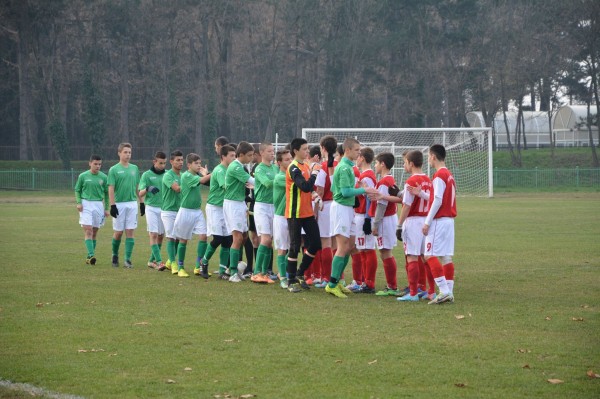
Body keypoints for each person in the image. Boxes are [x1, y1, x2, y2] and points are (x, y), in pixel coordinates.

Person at [325, 138, 377, 298]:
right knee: (342, 247)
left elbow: (335, 187)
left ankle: (339, 282)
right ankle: (332, 284)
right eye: (356, 150)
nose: (359, 153)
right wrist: (363, 190)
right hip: (341, 208)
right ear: (347, 150)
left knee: (350, 246)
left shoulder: (349, 167)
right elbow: (345, 192)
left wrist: (357, 188)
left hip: (348, 208)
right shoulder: (345, 168)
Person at [421, 144, 457, 304]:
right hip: (449, 221)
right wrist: (421, 194)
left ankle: (443, 291)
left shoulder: (439, 176)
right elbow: (439, 197)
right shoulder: (449, 175)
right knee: (446, 256)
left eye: (429, 156)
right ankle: (449, 291)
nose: (428, 159)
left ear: (433, 156)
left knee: (429, 254)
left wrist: (427, 222)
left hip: (439, 221)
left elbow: (437, 200)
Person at [285, 138, 322, 293]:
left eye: (308, 149)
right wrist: (314, 173)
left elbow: (309, 188)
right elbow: (304, 186)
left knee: (315, 244)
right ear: (296, 151)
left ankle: (300, 272)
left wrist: (316, 196)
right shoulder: (293, 168)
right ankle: (290, 280)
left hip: (306, 212)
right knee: (294, 247)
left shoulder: (305, 165)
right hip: (295, 213)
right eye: (305, 149)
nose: (308, 151)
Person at [395, 150, 433, 301]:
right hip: (426, 221)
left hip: (413, 221)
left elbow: (407, 206)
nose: (404, 165)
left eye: (405, 162)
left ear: (411, 163)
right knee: (426, 258)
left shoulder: (411, 181)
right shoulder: (428, 180)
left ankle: (412, 294)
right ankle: (430, 291)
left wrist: (399, 225)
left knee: (411, 257)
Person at [199, 145, 236, 279]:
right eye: (231, 156)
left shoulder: (231, 170)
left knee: (227, 240)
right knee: (218, 238)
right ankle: (203, 262)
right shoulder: (220, 170)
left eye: (235, 155)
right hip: (215, 207)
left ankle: (221, 271)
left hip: (225, 207)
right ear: (223, 157)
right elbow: (226, 186)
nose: (234, 158)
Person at [172, 153, 210, 278]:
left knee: (203, 236)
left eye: (200, 163)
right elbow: (204, 180)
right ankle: (181, 267)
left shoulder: (195, 175)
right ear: (189, 165)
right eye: (196, 163)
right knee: (183, 240)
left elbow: (205, 180)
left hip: (197, 211)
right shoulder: (187, 176)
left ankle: (198, 266)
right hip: (186, 211)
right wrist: (212, 173)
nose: (199, 165)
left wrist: (205, 174)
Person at [223, 141, 256, 282]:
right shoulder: (235, 167)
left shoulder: (240, 166)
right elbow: (251, 181)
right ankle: (233, 272)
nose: (251, 158)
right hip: (233, 205)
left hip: (239, 204)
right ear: (241, 154)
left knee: (244, 237)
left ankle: (233, 269)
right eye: (249, 155)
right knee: (237, 238)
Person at [370, 152, 400, 296]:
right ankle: (391, 286)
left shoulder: (384, 182)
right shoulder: (389, 179)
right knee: (385, 251)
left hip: (385, 220)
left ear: (383, 164)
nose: (375, 165)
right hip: (390, 218)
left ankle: (392, 287)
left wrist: (375, 225)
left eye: (376, 163)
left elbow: (381, 206)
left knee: (385, 252)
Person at [349, 147, 378, 293]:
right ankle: (365, 282)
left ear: (363, 158)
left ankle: (369, 283)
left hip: (364, 216)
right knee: (363, 249)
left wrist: (367, 219)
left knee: (367, 249)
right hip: (360, 216)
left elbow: (370, 198)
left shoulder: (367, 176)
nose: (357, 158)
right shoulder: (365, 175)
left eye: (358, 156)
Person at [108, 143, 140, 268]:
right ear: (119, 153)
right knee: (118, 232)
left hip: (132, 204)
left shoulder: (134, 168)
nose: (128, 155)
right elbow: (111, 188)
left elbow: (137, 186)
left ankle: (128, 259)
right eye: (125, 152)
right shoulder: (114, 169)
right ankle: (115, 254)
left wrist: (141, 201)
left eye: (129, 152)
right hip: (119, 204)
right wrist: (112, 205)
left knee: (130, 231)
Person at [312, 135, 338, 288]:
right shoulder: (339, 164)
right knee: (335, 243)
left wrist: (315, 210)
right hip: (338, 205)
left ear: (323, 148)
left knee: (326, 242)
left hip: (326, 206)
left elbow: (320, 191)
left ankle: (326, 277)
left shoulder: (323, 167)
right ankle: (336, 276)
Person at [250, 142, 278, 284]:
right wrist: (281, 179)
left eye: (273, 151)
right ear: (262, 153)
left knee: (269, 241)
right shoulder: (259, 169)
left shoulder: (275, 168)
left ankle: (264, 272)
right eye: (269, 151)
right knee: (265, 239)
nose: (272, 153)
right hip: (261, 207)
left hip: (274, 206)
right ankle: (256, 273)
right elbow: (267, 183)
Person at [75, 154, 110, 265]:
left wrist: (107, 208)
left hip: (99, 205)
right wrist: (79, 202)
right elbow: (77, 190)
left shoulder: (104, 177)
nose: (97, 166)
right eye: (95, 164)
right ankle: (91, 255)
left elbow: (107, 193)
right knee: (88, 230)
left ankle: (89, 257)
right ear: (90, 163)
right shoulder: (83, 176)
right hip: (86, 204)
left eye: (99, 164)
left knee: (94, 232)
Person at [138, 151, 167, 271]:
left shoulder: (167, 174)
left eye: (165, 163)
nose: (163, 165)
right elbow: (140, 193)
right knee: (153, 234)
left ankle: (151, 261)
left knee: (161, 235)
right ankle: (159, 262)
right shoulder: (146, 175)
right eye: (161, 163)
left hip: (164, 208)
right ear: (154, 161)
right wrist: (148, 188)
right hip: (151, 208)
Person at [161, 150, 184, 274]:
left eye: (182, 160)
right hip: (168, 211)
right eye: (178, 160)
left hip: (180, 210)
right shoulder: (168, 175)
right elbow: (177, 189)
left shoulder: (183, 175)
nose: (181, 162)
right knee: (171, 237)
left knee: (179, 238)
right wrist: (191, 183)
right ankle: (173, 263)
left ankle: (170, 261)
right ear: (171, 161)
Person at [272, 149, 293, 288]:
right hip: (280, 217)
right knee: (282, 248)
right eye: (286, 160)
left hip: (291, 216)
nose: (290, 161)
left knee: (292, 248)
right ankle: (283, 279)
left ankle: (284, 273)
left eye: (291, 158)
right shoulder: (280, 177)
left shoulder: (290, 174)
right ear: (279, 163)